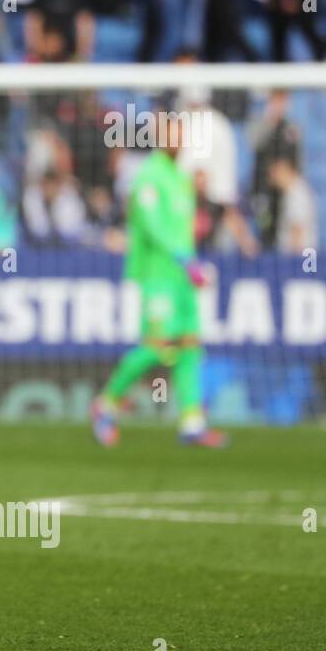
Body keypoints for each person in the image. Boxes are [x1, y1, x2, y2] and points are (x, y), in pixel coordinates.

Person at [91, 119, 228, 448]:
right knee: (156, 347)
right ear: (159, 138)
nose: (177, 140)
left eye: (181, 134)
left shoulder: (181, 178)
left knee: (190, 346)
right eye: (172, 134)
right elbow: (152, 226)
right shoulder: (149, 176)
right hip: (157, 276)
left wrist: (191, 262)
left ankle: (192, 422)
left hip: (183, 278)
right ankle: (105, 405)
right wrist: (183, 257)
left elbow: (183, 227)